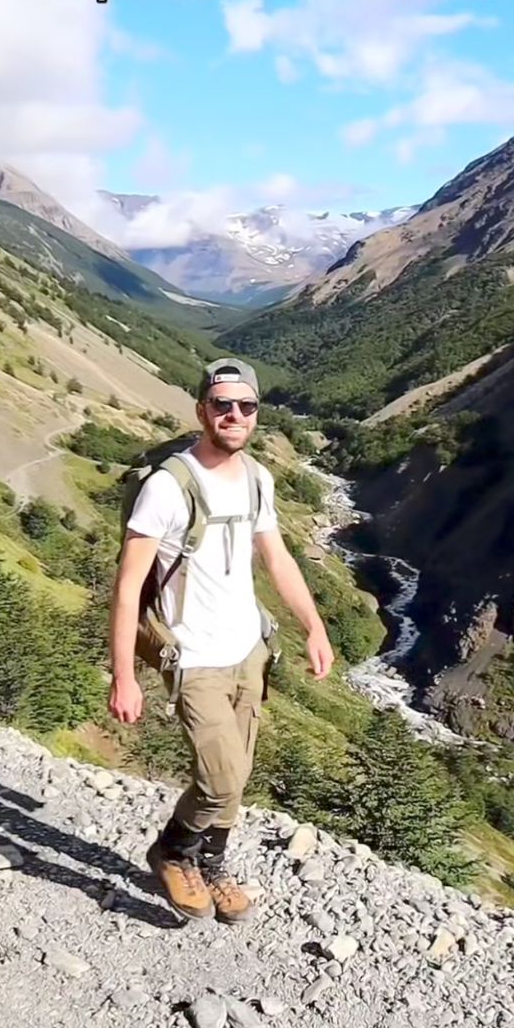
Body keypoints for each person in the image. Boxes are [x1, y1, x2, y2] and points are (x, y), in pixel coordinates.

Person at [107, 357, 335, 924]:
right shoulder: (167, 486)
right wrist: (125, 675)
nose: (234, 415)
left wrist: (314, 625)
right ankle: (172, 850)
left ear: (256, 413)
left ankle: (212, 864)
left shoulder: (258, 478)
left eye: (246, 406)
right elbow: (128, 587)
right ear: (202, 411)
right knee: (220, 777)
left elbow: (277, 558)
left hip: (249, 650)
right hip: (193, 656)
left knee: (238, 771)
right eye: (222, 405)